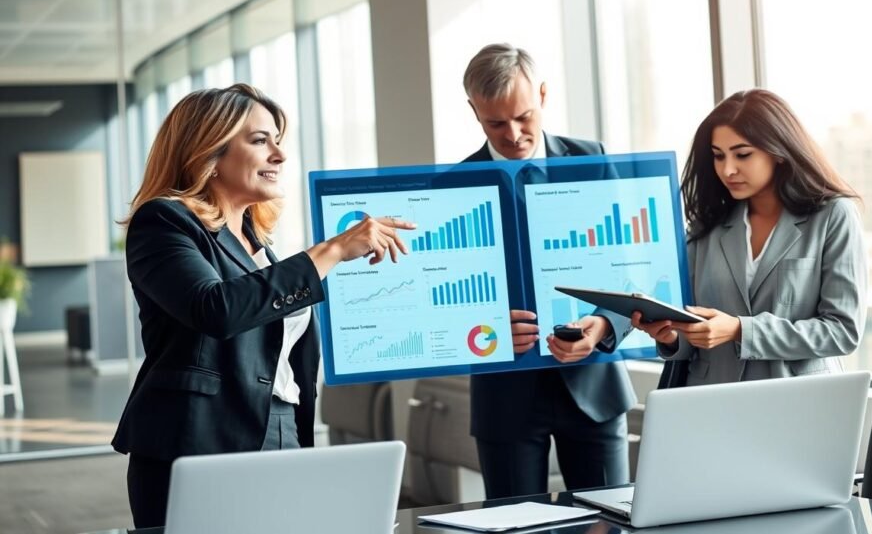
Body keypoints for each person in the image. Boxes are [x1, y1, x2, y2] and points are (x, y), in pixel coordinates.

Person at [111, 84, 415, 528]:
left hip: (281, 427)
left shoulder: (260, 246)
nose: (280, 154)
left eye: (278, 140)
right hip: (198, 439)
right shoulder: (163, 222)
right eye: (260, 141)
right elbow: (215, 309)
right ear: (209, 152)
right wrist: (331, 250)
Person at [461, 43, 636, 498]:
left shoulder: (592, 161)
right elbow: (445, 295)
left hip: (594, 386)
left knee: (609, 523)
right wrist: (484, 327)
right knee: (516, 525)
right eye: (495, 123)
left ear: (542, 94)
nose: (514, 134)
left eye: (524, 117)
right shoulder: (454, 186)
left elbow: (628, 267)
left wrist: (605, 325)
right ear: (474, 111)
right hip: (506, 398)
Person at [632, 89, 867, 388]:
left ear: (778, 151)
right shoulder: (708, 224)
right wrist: (672, 337)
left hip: (798, 399)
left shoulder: (833, 215)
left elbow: (842, 331)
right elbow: (693, 327)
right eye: (718, 156)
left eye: (742, 155)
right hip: (712, 397)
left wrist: (741, 330)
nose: (727, 169)